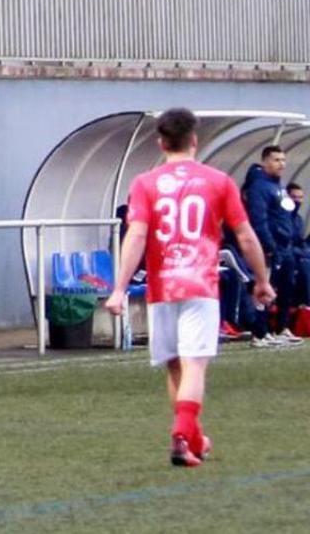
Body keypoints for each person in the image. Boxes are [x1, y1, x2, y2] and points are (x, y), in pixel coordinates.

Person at [105, 108, 275, 467]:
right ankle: (183, 437)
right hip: (200, 284)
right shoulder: (218, 181)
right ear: (195, 140)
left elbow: (136, 235)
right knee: (194, 365)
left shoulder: (144, 183)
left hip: (162, 287)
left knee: (174, 367)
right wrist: (262, 280)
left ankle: (194, 438)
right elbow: (245, 235)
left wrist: (119, 288)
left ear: (161, 142)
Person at [241, 146, 302, 344]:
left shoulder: (278, 186)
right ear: (265, 161)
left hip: (286, 246)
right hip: (271, 245)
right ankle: (260, 332)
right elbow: (259, 219)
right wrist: (268, 244)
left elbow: (283, 214)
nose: (281, 164)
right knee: (265, 287)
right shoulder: (259, 186)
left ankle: (281, 328)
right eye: (276, 160)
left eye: (283, 160)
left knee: (286, 287)